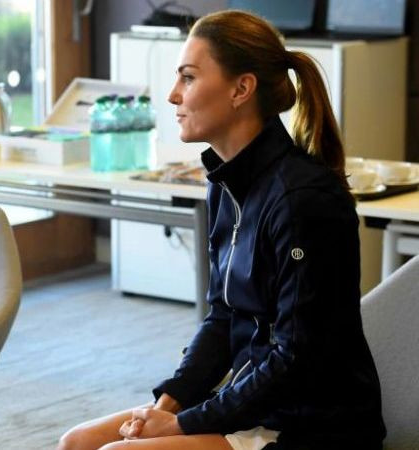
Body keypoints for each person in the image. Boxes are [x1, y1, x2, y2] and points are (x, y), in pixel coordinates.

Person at [58, 10, 385, 450]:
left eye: (188, 77)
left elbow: (296, 360)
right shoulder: (227, 185)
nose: (173, 95)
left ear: (241, 89)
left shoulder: (303, 200)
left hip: (309, 425)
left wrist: (181, 426)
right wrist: (167, 407)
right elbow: (223, 317)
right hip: (252, 404)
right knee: (77, 442)